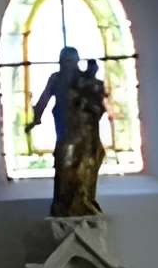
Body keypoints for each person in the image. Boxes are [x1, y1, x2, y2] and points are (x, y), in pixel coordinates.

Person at [29, 44, 111, 218]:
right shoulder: (56, 79)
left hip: (86, 136)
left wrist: (91, 75)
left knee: (85, 172)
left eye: (71, 61)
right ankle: (64, 208)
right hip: (65, 134)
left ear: (77, 62)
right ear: (60, 62)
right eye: (65, 61)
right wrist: (36, 118)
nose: (68, 65)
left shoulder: (84, 81)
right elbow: (44, 98)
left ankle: (84, 205)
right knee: (64, 169)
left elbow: (98, 102)